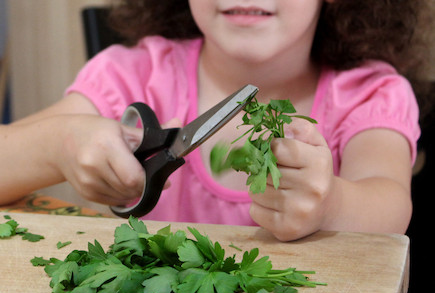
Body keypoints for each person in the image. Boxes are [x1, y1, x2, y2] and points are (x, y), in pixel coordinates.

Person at [0, 0, 432, 242]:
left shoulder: (369, 94)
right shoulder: (133, 75)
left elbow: (390, 202)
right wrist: (58, 145)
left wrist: (333, 205)